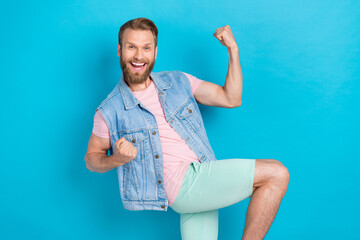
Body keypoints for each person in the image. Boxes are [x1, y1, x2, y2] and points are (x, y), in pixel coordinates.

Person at [84, 17, 290, 240]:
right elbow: (92, 158)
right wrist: (116, 159)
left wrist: (233, 49)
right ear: (119, 50)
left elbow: (231, 98)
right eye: (131, 47)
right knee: (276, 173)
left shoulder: (178, 81)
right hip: (183, 184)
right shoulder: (109, 110)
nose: (139, 56)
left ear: (155, 52)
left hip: (202, 174)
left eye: (146, 47)